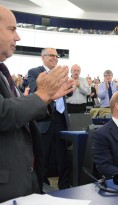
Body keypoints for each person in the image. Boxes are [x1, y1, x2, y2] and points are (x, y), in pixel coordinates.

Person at [0, 5, 73, 202]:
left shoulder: (2, 72)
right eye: (12, 29)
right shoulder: (34, 72)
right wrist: (41, 95)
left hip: (23, 180)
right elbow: (3, 113)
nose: (18, 37)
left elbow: (16, 106)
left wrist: (47, 98)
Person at [28, 47, 72, 190]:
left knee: (63, 157)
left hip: (61, 119)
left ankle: (64, 186)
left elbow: (67, 95)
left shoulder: (61, 74)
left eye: (56, 56)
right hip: (44, 120)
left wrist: (70, 87)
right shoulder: (35, 72)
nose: (55, 58)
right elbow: (36, 91)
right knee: (43, 157)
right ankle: (42, 187)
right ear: (43, 57)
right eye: (51, 55)